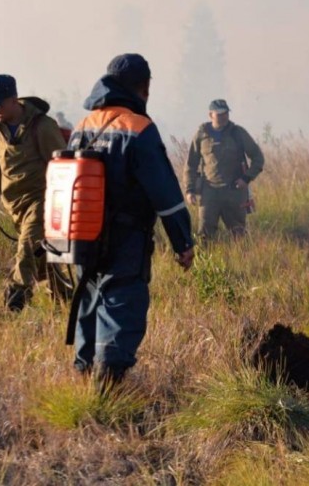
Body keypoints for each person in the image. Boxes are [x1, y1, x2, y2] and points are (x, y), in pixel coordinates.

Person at [69, 53, 195, 388]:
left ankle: (83, 375)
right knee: (123, 302)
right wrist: (182, 242)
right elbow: (165, 194)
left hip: (82, 236)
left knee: (90, 298)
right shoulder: (139, 128)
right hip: (126, 238)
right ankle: (107, 385)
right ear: (144, 87)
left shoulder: (83, 125)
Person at [0, 74, 67, 310]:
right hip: (15, 207)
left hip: (46, 202)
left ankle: (15, 298)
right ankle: (66, 305)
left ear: (14, 99)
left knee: (27, 249)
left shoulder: (43, 126)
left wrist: (64, 206)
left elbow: (64, 167)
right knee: (50, 259)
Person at [184, 99, 265, 239]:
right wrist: (189, 190)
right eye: (219, 114)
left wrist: (246, 178)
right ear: (211, 115)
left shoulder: (238, 133)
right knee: (205, 235)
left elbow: (258, 158)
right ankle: (206, 260)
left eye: (226, 113)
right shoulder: (201, 134)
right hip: (209, 193)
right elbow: (191, 164)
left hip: (234, 192)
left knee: (238, 234)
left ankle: (241, 260)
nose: (223, 117)